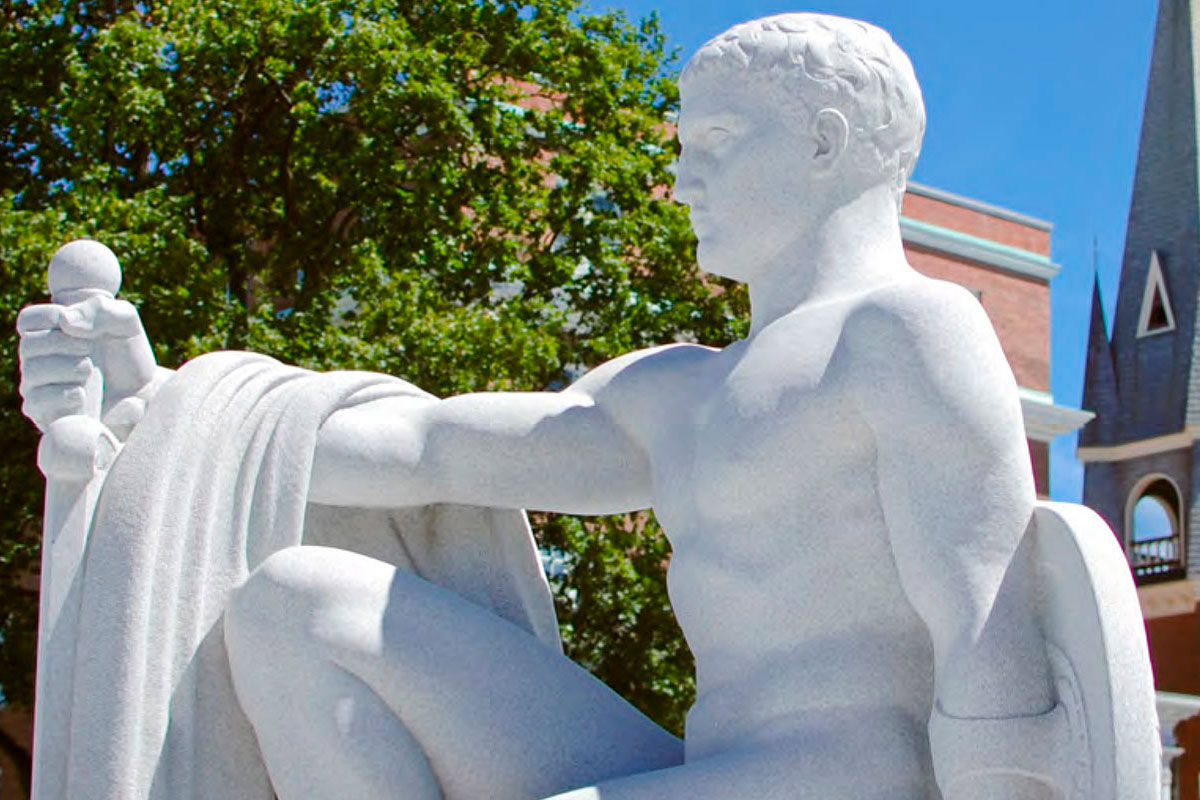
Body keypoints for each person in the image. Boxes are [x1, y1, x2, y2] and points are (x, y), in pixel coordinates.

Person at [19, 13, 1067, 799]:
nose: (681, 172)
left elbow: (990, 631)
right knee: (297, 600)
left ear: (825, 142)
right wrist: (157, 407)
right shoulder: (675, 390)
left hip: (851, 773)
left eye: (715, 139)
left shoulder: (910, 333)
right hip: (702, 768)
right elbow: (424, 446)